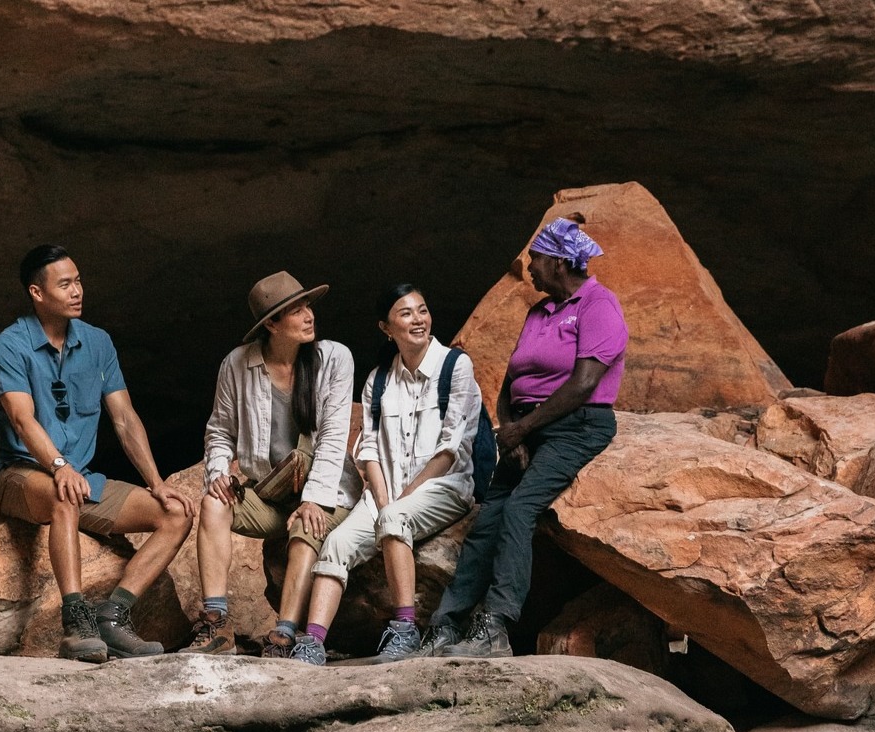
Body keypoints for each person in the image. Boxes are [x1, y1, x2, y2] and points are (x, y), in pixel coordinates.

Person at [421, 215, 628, 658]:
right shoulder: (539, 312)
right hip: (528, 427)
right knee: (488, 520)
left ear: (557, 261)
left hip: (577, 425)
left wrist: (524, 429)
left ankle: (495, 627)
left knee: (519, 509)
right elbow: (513, 379)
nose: (527, 266)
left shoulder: (598, 305)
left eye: (534, 257)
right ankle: (445, 627)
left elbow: (584, 383)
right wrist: (509, 431)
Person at [0, 244, 195, 662]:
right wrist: (59, 466)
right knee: (65, 493)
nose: (77, 290)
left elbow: (124, 418)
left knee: (177, 514)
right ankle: (75, 623)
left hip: (80, 478)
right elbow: (23, 421)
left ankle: (112, 619)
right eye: (65, 284)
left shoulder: (98, 343)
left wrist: (156, 483)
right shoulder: (9, 346)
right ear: (37, 293)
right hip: (19, 473)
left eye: (78, 280)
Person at [288, 283, 482, 665]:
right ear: (386, 328)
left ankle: (405, 629)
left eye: (422, 310)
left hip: (445, 487)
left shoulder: (455, 366)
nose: (418, 320)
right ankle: (311, 644)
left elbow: (450, 448)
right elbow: (370, 448)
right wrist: (381, 496)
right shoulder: (378, 380)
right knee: (336, 543)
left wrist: (400, 500)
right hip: (386, 494)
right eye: (406, 313)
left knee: (394, 517)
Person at [183, 271, 362, 656]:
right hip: (271, 493)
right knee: (213, 504)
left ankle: (283, 635)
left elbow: (333, 437)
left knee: (306, 525)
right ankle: (216, 624)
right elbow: (219, 431)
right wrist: (217, 475)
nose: (308, 316)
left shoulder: (334, 358)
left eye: (307, 306)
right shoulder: (237, 364)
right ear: (271, 324)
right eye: (295, 311)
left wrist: (313, 499)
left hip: (329, 493)